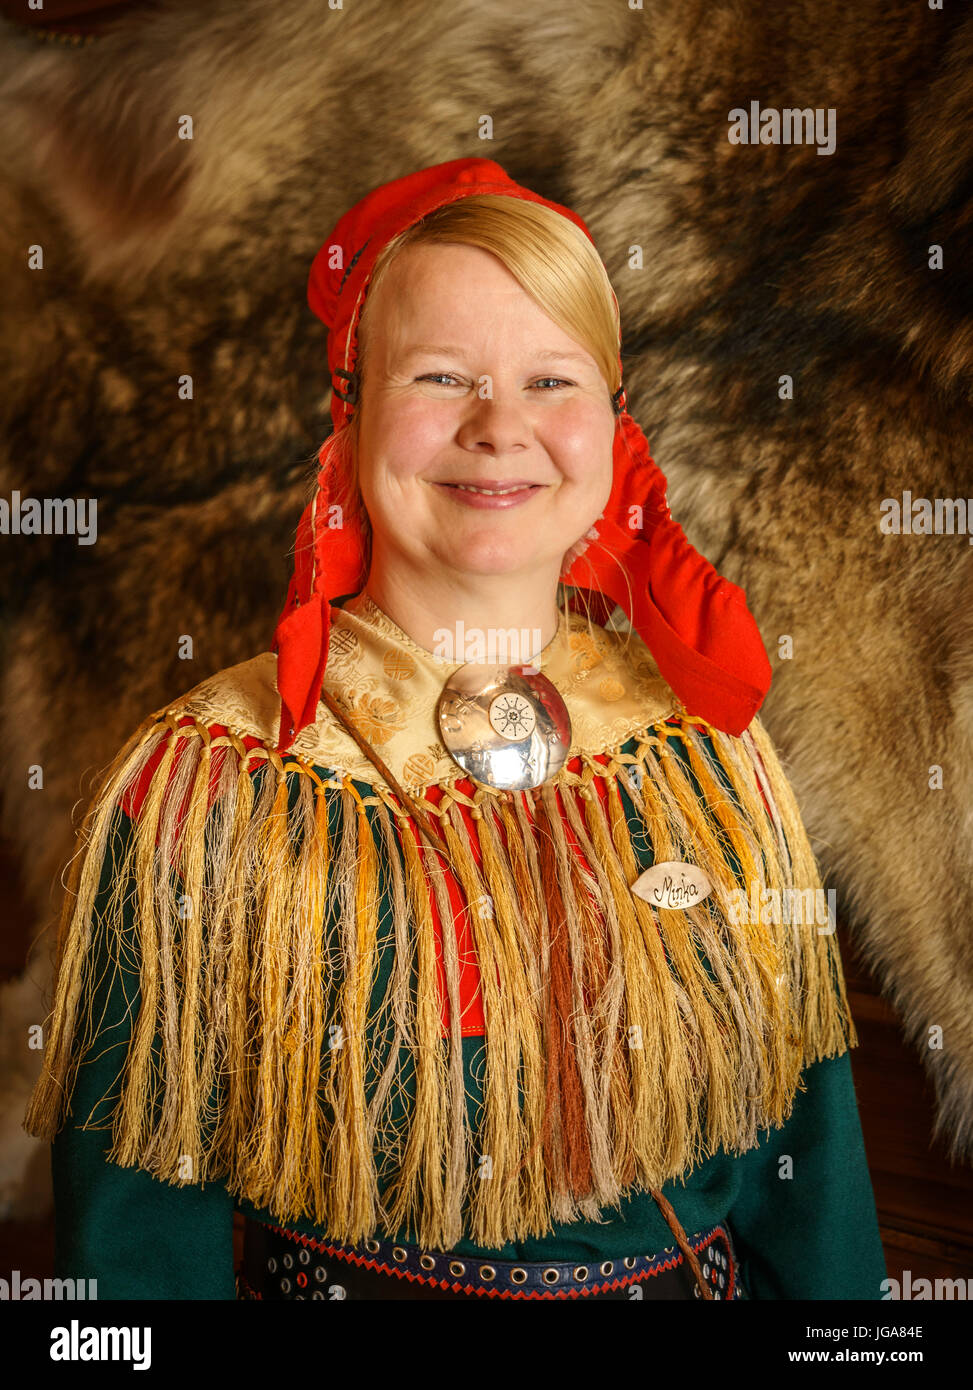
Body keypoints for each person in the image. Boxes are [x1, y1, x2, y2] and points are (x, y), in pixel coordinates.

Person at [24, 157, 887, 1301]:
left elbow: (811, 1196)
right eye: (442, 376)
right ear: (350, 412)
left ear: (612, 427)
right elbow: (134, 1263)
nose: (500, 428)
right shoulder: (206, 786)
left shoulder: (711, 753)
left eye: (550, 380)